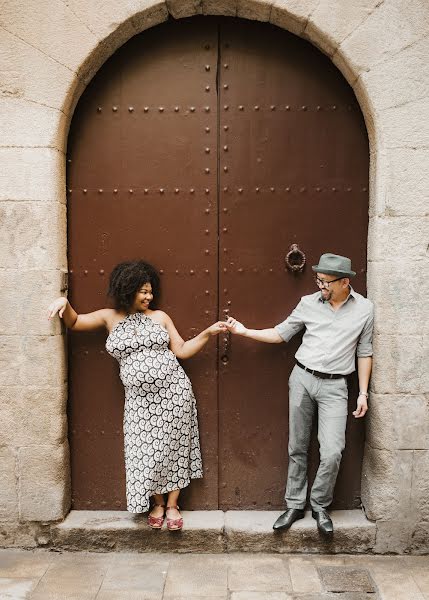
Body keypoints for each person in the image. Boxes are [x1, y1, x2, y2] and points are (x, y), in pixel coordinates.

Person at [48, 260, 226, 531]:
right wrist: (64, 302)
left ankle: (172, 505)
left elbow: (181, 349)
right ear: (128, 289)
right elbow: (74, 321)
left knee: (174, 447)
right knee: (145, 450)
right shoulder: (109, 317)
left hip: (174, 392)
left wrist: (207, 333)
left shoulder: (160, 317)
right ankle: (156, 501)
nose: (149, 296)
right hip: (139, 402)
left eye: (151, 292)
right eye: (143, 291)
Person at [225, 253, 373, 536]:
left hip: (336, 386)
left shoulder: (365, 309)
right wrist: (244, 331)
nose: (321, 286)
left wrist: (363, 393)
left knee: (332, 451)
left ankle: (319, 505)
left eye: (326, 282)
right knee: (298, 446)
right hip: (303, 378)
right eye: (318, 280)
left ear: (344, 282)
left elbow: (365, 352)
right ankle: (294, 505)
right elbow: (281, 334)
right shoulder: (308, 303)